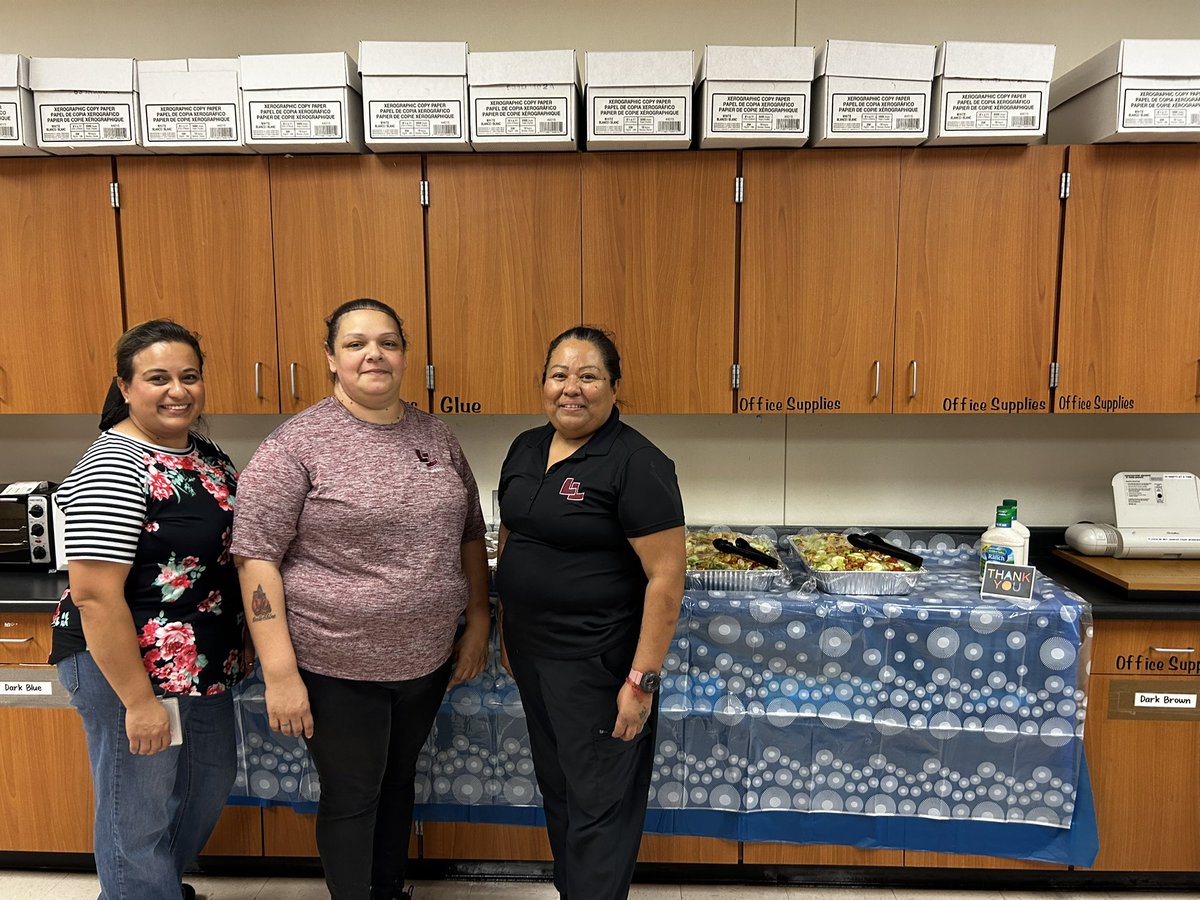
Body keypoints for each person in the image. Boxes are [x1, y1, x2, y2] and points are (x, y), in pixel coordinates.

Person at [231, 297, 490, 900]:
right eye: (355, 343)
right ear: (330, 360)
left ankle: (389, 890)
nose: (374, 354)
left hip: (424, 663)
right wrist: (280, 672)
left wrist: (478, 618)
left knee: (399, 783)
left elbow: (471, 532)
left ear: (405, 355)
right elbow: (256, 558)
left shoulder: (435, 435)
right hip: (334, 665)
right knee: (354, 796)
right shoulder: (296, 444)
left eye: (387, 342)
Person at [49, 319, 248, 900]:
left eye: (189, 377)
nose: (177, 391)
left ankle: (152, 888)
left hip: (201, 665)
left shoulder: (204, 456)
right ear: (126, 385)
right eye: (158, 378)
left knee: (206, 785)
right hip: (126, 669)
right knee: (136, 811)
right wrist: (139, 703)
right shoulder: (113, 465)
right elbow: (93, 594)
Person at [496, 326, 685, 900]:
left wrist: (641, 681)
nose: (570, 389)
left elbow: (666, 577)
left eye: (588, 376)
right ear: (543, 383)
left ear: (614, 386)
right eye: (559, 375)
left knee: (600, 803)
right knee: (560, 790)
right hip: (534, 657)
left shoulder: (637, 462)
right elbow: (512, 534)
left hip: (598, 662)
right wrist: (507, 626)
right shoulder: (526, 447)